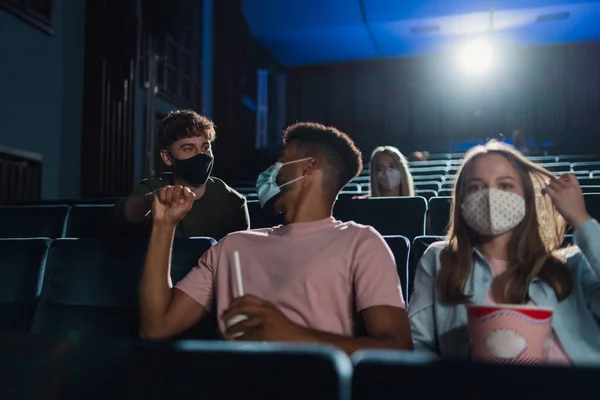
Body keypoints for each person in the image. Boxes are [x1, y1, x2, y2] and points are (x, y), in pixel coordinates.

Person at [138, 122, 412, 354]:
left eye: (281, 159)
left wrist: (290, 334)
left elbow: (398, 347)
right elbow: (156, 327)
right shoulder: (231, 245)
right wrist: (164, 226)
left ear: (308, 167)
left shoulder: (361, 242)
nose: (272, 170)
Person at [408, 140, 600, 365]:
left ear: (527, 197)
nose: (490, 196)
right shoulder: (440, 260)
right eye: (475, 187)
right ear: (461, 201)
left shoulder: (574, 265)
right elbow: (418, 343)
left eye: (505, 186)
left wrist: (581, 220)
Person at [115, 110, 249, 240]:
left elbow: (241, 255)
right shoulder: (154, 187)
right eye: (188, 149)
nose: (201, 155)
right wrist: (153, 201)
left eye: (205, 147)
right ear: (167, 157)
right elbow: (127, 213)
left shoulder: (233, 200)